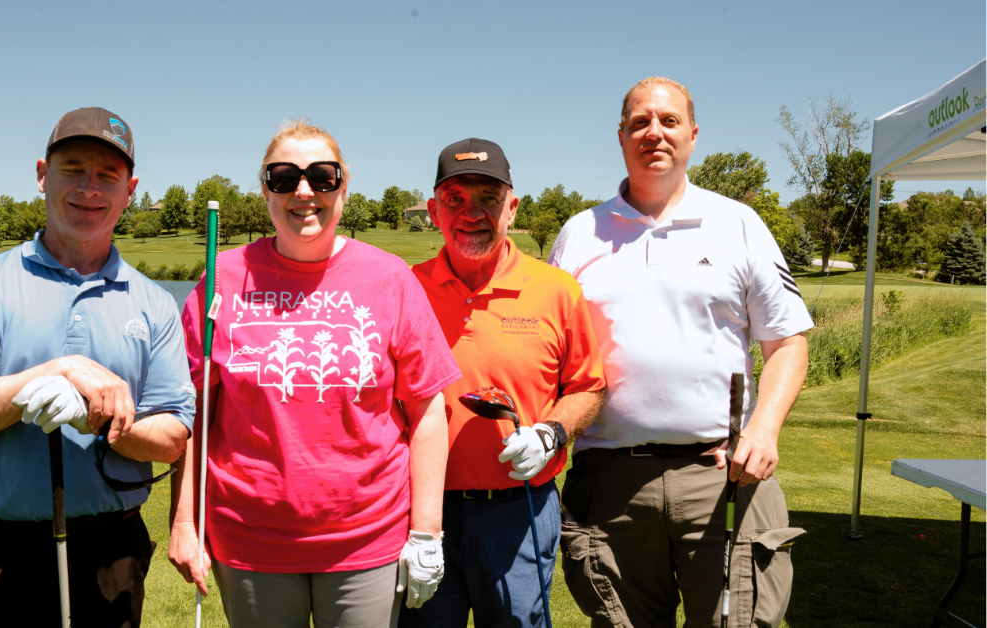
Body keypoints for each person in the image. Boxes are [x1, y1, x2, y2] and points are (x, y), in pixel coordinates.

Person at [170, 119, 461, 628]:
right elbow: (192, 409)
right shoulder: (223, 276)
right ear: (265, 191)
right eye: (284, 177)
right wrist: (183, 521)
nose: (304, 191)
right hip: (250, 538)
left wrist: (427, 532)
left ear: (342, 189)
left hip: (368, 537)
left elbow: (429, 410)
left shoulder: (390, 277)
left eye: (322, 177)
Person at [548, 77, 811, 628]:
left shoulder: (738, 224)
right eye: (640, 122)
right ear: (620, 136)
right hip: (611, 482)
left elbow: (787, 342)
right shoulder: (579, 234)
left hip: (722, 475)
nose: (655, 133)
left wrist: (764, 430)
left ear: (693, 135)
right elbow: (549, 358)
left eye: (669, 121)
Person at [0, 107, 195, 627]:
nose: (90, 188)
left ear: (130, 189)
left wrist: (94, 417)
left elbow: (171, 438)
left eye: (107, 175)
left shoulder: (154, 303)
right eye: (73, 169)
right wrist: (56, 371)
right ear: (43, 175)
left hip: (110, 549)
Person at [403, 138, 607, 628]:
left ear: (511, 208)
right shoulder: (407, 288)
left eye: (488, 198)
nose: (471, 212)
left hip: (519, 512)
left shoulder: (557, 291)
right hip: (424, 516)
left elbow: (588, 387)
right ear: (433, 210)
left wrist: (551, 433)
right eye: (455, 199)